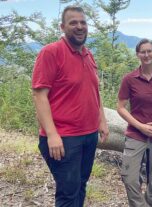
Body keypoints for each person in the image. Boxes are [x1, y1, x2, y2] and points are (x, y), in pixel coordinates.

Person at [32, 5, 109, 207]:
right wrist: (52, 134)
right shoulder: (51, 52)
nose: (79, 26)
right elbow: (39, 95)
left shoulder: (88, 54)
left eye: (83, 22)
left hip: (89, 135)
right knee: (68, 192)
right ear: (62, 27)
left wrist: (102, 120)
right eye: (73, 22)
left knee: (81, 185)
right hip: (64, 138)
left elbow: (94, 91)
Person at [117, 38, 152, 207]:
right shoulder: (129, 79)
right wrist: (140, 126)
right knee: (129, 177)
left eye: (149, 51)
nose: (146, 54)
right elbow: (121, 107)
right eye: (143, 51)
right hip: (136, 134)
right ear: (138, 54)